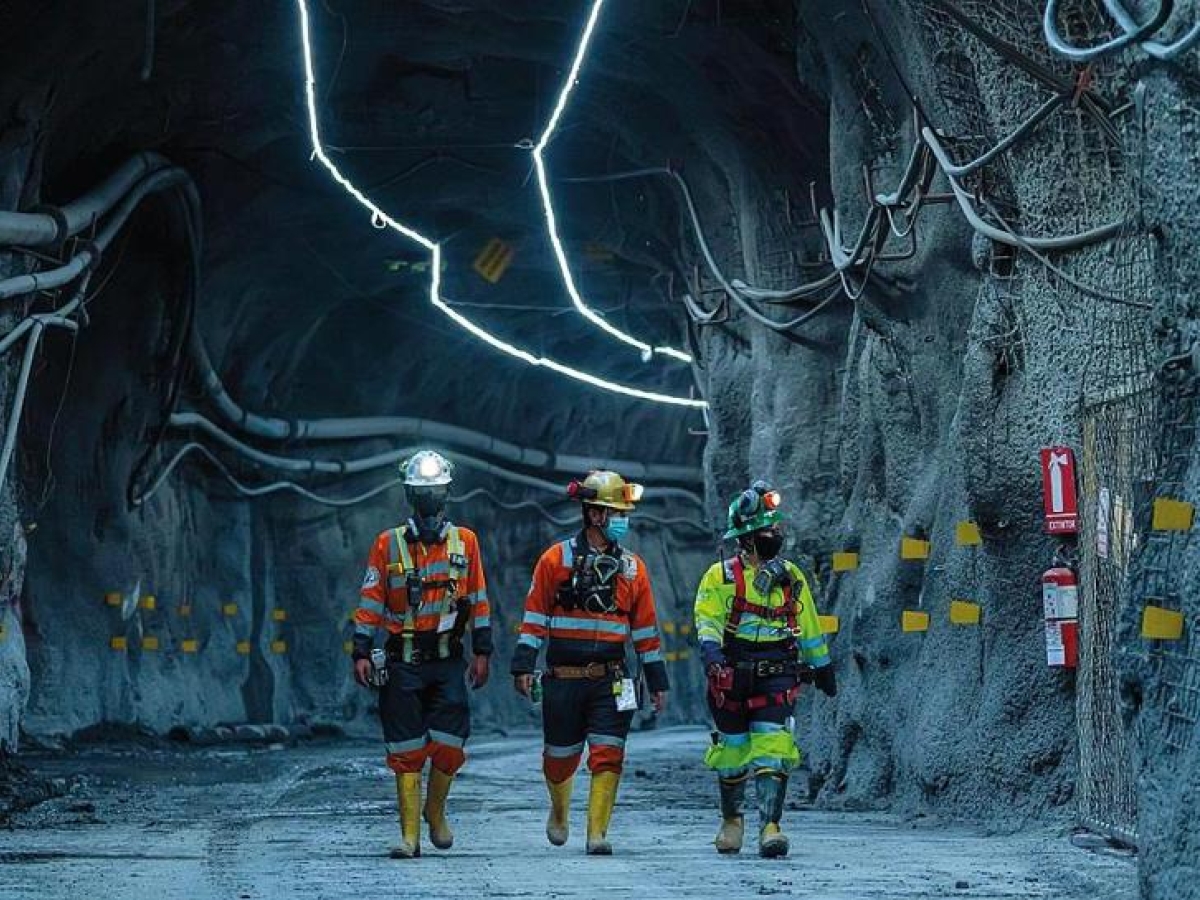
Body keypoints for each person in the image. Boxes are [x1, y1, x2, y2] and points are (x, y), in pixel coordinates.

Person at [510, 470, 669, 855]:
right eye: (616, 513)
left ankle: (597, 833)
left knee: (609, 752)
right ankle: (560, 809)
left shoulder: (634, 569)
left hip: (613, 679)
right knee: (559, 757)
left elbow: (645, 630)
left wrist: (657, 681)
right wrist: (523, 664)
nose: (622, 521)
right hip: (563, 678)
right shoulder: (555, 559)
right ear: (594, 514)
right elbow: (534, 616)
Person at [350, 450, 491, 859]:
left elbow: (479, 598)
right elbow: (371, 600)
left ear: (447, 493)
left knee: (449, 744)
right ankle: (409, 837)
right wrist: (361, 650)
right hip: (402, 661)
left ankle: (435, 810)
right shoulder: (387, 544)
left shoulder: (466, 542)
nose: (429, 500)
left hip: (448, 660)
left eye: (436, 491)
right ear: (409, 494)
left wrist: (482, 650)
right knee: (405, 749)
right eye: (421, 492)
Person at [694, 480, 836, 858]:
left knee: (773, 745)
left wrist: (822, 665)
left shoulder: (791, 576)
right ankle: (731, 822)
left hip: (778, 671)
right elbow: (707, 618)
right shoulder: (720, 577)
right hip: (732, 671)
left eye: (776, 529)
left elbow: (808, 625)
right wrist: (711, 654)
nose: (776, 536)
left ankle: (770, 827)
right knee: (733, 750)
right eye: (768, 531)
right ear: (747, 538)